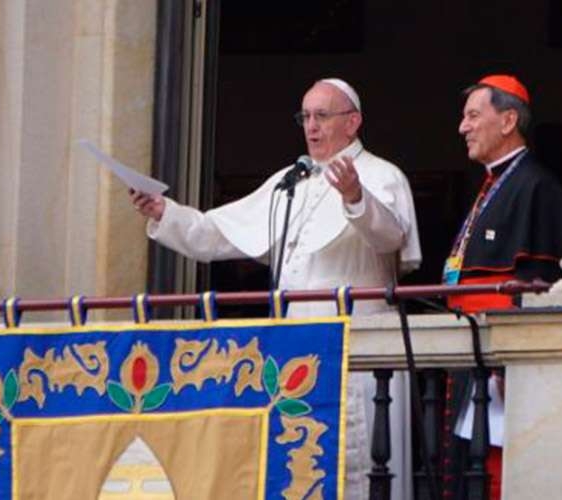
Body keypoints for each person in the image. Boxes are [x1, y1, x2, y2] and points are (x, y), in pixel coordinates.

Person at [130, 78, 421, 500]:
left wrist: (356, 196)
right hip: (295, 353)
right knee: (300, 470)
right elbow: (218, 232)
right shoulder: (291, 181)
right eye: (305, 117)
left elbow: (390, 238)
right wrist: (165, 212)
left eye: (322, 115)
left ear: (352, 122)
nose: (311, 126)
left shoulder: (381, 175)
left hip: (357, 348)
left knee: (359, 472)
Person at [442, 74, 562, 500]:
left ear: (508, 119)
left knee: (498, 468)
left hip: (501, 357)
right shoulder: (492, 184)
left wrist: (505, 359)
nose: (463, 127)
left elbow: (540, 281)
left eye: (473, 116)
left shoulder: (536, 185)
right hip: (471, 349)